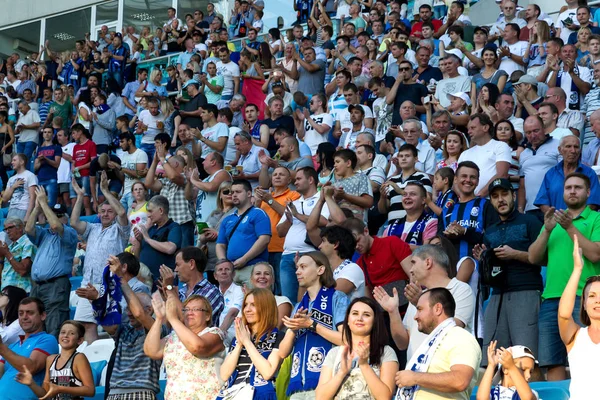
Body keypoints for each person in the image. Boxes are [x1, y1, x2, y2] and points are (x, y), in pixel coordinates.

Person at [529, 172, 600, 381]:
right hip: (551, 299)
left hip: (585, 300)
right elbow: (534, 257)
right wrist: (547, 230)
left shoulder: (596, 218)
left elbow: (595, 254)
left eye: (578, 187)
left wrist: (569, 227)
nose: (572, 191)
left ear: (588, 192)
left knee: (588, 358)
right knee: (553, 362)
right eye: (568, 187)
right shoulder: (553, 220)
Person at [473, 178, 543, 363]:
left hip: (525, 291)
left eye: (504, 194)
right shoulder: (489, 231)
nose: (500, 200)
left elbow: (544, 259)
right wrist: (484, 259)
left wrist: (515, 254)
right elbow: (492, 269)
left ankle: (530, 393)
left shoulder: (531, 221)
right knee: (491, 358)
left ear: (513, 195)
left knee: (527, 357)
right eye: (495, 196)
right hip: (497, 296)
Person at [279, 252, 348, 399]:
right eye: (297, 267)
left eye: (303, 267)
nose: (297, 271)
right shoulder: (299, 306)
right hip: (297, 388)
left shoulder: (337, 297)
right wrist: (293, 329)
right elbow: (283, 352)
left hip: (327, 383)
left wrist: (312, 324)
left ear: (320, 270)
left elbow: (345, 339)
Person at [70, 173, 129, 344]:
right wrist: (80, 196)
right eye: (102, 211)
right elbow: (74, 222)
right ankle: (91, 360)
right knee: (87, 324)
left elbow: (122, 212)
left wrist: (105, 191)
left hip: (110, 283)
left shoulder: (120, 229)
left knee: (113, 327)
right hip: (88, 283)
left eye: (110, 211)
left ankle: (117, 358)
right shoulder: (92, 228)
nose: (105, 214)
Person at [393, 288, 482, 399]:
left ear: (438, 309)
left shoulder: (460, 337)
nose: (415, 316)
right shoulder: (430, 343)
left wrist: (415, 377)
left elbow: (460, 380)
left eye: (420, 309)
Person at [145, 292, 226, 400]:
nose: (190, 313)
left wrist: (173, 319)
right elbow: (151, 351)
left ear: (207, 316)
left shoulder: (215, 333)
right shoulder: (173, 336)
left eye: (196, 309)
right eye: (186, 310)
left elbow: (197, 347)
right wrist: (159, 319)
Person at [316, 297, 399, 399]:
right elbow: (320, 397)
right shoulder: (334, 353)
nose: (359, 318)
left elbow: (385, 397)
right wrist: (341, 373)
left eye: (366, 315)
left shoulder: (386, 352)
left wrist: (364, 365)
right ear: (348, 320)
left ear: (374, 322)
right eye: (355, 313)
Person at [25, 188, 77, 337]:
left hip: (56, 285)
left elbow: (55, 226)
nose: (56, 217)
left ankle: (53, 359)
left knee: (54, 327)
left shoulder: (70, 233)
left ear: (65, 219)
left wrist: (43, 203)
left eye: (59, 215)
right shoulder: (44, 234)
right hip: (37, 286)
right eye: (54, 214)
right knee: (35, 328)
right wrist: (37, 207)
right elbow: (28, 228)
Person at [219, 288, 284, 399]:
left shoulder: (279, 336)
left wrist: (247, 342)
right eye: (245, 305)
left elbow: (268, 372)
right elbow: (224, 375)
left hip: (259, 395)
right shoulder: (238, 338)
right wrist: (239, 344)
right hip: (232, 394)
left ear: (266, 307)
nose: (247, 309)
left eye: (253, 305)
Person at [276, 167, 329, 300]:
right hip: (287, 255)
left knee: (307, 298)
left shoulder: (321, 199)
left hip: (309, 254)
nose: (295, 182)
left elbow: (323, 221)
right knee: (287, 300)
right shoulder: (293, 203)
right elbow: (280, 232)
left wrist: (297, 215)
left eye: (299, 179)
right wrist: (289, 220)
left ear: (311, 180)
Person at [558, 234, 600, 397]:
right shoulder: (576, 336)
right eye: (591, 296)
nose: (598, 300)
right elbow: (563, 314)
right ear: (583, 304)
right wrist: (577, 269)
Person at [15, 320, 95, 399]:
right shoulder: (50, 359)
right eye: (63, 332)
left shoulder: (79, 358)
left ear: (79, 340)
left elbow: (90, 390)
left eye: (71, 333)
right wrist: (31, 383)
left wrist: (60, 388)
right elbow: (44, 395)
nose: (66, 335)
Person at [0, 297, 59, 400]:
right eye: (21, 313)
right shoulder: (13, 346)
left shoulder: (47, 339)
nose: (24, 317)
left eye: (30, 313)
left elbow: (31, 368)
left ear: (43, 315)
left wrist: (1, 347)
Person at [438, 161, 498, 259]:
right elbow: (439, 244)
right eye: (464, 176)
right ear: (456, 179)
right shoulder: (446, 212)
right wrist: (448, 236)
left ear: (478, 181)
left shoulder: (486, 205)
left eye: (472, 177)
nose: (468, 180)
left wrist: (465, 232)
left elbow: (493, 238)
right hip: (450, 269)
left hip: (478, 268)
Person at [216, 179, 271, 284]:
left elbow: (264, 239)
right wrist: (224, 262)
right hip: (232, 271)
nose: (234, 195)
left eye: (238, 192)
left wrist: (244, 259)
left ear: (249, 193)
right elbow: (220, 244)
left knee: (255, 300)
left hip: (254, 268)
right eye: (232, 192)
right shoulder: (227, 219)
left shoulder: (258, 213)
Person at [145, 143, 195, 248]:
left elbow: (173, 176)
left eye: (167, 164)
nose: (164, 166)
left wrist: (163, 158)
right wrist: (155, 161)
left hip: (183, 224)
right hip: (168, 225)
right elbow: (148, 183)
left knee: (184, 255)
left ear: (176, 164)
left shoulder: (185, 176)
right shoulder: (165, 180)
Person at [534, 135, 600, 211]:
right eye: (568, 146)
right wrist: (556, 218)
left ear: (580, 150)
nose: (573, 151)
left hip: (582, 222)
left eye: (576, 147)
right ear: (560, 150)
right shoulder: (551, 173)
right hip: (556, 221)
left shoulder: (589, 173)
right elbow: (543, 202)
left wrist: (576, 220)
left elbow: (593, 203)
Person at [458, 114, 512, 197]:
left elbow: (502, 175)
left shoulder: (500, 146)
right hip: (467, 203)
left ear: (485, 128)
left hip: (491, 200)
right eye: (468, 129)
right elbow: (457, 180)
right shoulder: (464, 154)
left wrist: (479, 196)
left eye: (473, 128)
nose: (469, 132)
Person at [132, 195, 181, 279]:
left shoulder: (174, 227)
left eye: (150, 211)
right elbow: (136, 257)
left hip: (163, 281)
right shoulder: (150, 229)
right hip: (143, 281)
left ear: (161, 210)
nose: (148, 215)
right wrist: (139, 241)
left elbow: (170, 249)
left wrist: (147, 239)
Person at [249, 262, 293, 328]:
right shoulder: (247, 303)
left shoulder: (282, 301)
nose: (262, 276)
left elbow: (276, 328)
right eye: (258, 273)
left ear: (272, 280)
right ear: (251, 279)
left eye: (266, 274)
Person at [0, 217, 36, 293]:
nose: (7, 231)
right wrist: (1, 256)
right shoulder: (9, 247)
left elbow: (23, 270)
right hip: (6, 291)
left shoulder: (28, 242)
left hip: (20, 291)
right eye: (5, 229)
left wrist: (6, 253)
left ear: (20, 228)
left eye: (10, 228)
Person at [214, 259, 243, 344]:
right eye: (220, 270)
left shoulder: (239, 290)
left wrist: (219, 333)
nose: (223, 272)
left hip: (232, 333)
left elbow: (232, 314)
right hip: (214, 332)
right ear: (215, 276)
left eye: (227, 269)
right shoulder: (213, 291)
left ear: (233, 274)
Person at [3, 154, 38, 221]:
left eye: (14, 160)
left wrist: (28, 215)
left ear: (22, 162)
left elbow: (33, 197)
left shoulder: (30, 176)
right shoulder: (11, 179)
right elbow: (4, 199)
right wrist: (13, 187)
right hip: (11, 209)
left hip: (24, 209)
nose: (12, 162)